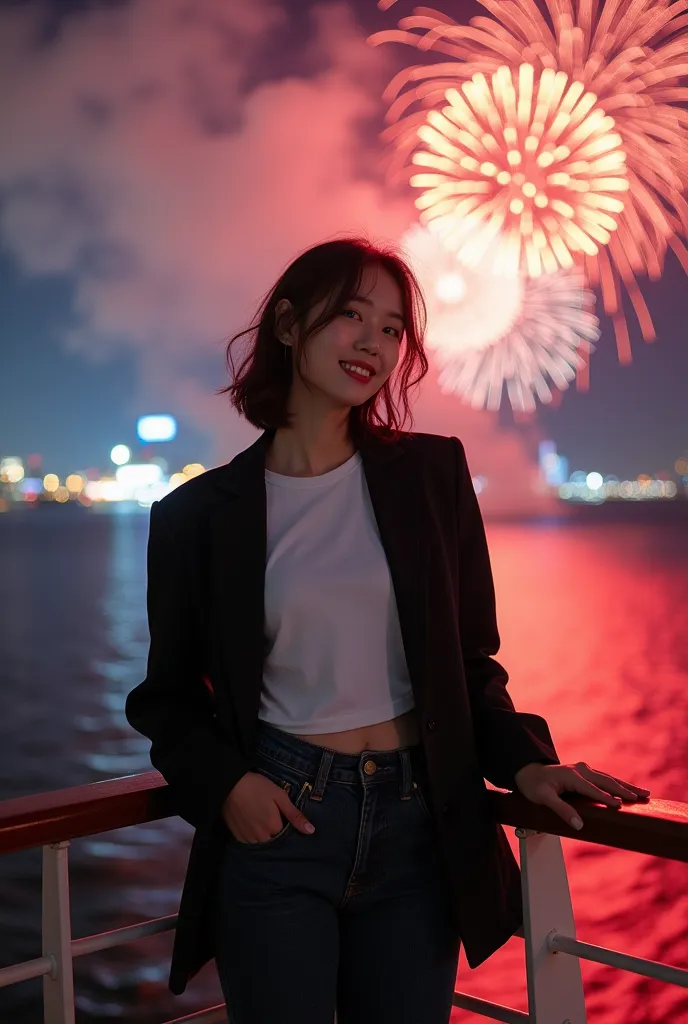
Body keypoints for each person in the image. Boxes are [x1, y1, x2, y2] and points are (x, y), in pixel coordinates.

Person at [125, 236, 650, 1024]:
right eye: (351, 316)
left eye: (394, 328)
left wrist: (527, 765)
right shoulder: (198, 518)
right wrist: (228, 785)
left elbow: (471, 660)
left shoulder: (432, 476)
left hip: (420, 825)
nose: (374, 342)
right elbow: (166, 701)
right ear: (290, 325)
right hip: (281, 828)